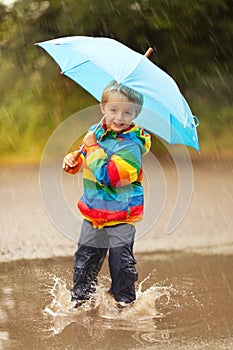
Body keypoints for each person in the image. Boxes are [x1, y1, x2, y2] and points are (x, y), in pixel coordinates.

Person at [62, 80, 151, 309]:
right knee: (85, 260)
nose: (119, 118)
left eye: (127, 112)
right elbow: (85, 157)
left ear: (135, 114)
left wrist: (91, 149)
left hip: (122, 215)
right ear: (103, 107)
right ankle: (80, 301)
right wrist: (74, 161)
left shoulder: (132, 146)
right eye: (113, 110)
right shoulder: (97, 132)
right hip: (94, 212)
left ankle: (125, 303)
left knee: (121, 262)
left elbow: (109, 175)